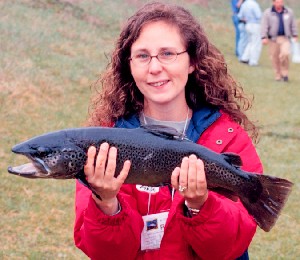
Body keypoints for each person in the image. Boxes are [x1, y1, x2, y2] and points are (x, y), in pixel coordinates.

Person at [74, 2, 263, 259]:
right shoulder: (104, 147)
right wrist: (106, 203)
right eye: (142, 55)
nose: (154, 68)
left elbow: (229, 249)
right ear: (129, 65)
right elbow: (108, 254)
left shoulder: (228, 140)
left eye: (168, 54)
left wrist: (201, 206)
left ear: (192, 61)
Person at [261, 0, 298, 82]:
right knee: (275, 58)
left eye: (281, 2)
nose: (279, 4)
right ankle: (278, 75)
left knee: (285, 54)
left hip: (285, 38)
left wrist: (295, 34)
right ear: (273, 2)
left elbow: (293, 24)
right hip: (273, 39)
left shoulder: (288, 12)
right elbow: (264, 25)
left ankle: (285, 74)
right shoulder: (268, 13)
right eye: (277, 2)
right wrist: (263, 37)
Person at [238, 0, 262, 66]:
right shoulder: (254, 4)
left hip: (247, 25)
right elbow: (259, 15)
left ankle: (244, 58)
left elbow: (240, 16)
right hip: (255, 25)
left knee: (250, 42)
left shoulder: (244, 4)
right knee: (256, 43)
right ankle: (253, 61)